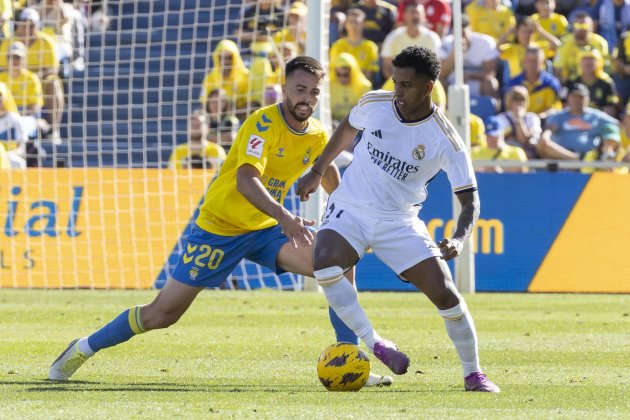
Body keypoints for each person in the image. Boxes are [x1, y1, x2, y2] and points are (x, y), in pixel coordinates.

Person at [48, 56, 392, 387]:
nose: (307, 98)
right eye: (300, 89)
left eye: (314, 92)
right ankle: (83, 348)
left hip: (265, 230)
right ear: (284, 87)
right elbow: (246, 179)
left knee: (339, 260)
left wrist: (348, 216)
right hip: (220, 229)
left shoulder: (317, 133)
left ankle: (349, 361)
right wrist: (285, 216)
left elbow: (326, 165)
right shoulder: (262, 123)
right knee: (161, 315)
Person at [297, 46, 500, 393]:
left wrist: (459, 238)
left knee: (447, 295)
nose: (398, 92)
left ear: (428, 86)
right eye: (395, 83)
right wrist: (317, 170)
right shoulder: (375, 103)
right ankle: (375, 342)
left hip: (399, 220)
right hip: (352, 206)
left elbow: (470, 200)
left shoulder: (445, 138)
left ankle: (474, 374)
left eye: (407, 85)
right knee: (325, 263)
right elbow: (347, 128)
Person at [537, 83, 620, 159]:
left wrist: (608, 140)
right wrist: (546, 134)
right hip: (560, 158)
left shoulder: (596, 116)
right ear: (568, 98)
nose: (577, 100)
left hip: (589, 159)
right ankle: (575, 159)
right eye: (574, 96)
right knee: (542, 142)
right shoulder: (557, 116)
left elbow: (618, 125)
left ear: (588, 100)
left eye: (581, 97)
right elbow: (547, 135)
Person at [439, 14, 499, 98]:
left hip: (477, 82)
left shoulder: (485, 43)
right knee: (440, 82)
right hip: (453, 84)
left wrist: (470, 75)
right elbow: (442, 74)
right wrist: (454, 53)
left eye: (463, 33)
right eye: (456, 34)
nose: (461, 37)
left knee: (491, 83)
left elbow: (490, 73)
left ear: (470, 30)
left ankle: (490, 110)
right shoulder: (446, 43)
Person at [380, 2, 441, 80]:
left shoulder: (432, 38)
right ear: (404, 15)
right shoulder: (393, 37)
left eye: (418, 13)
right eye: (412, 12)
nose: (415, 15)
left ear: (423, 16)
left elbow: (437, 67)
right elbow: (387, 67)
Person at [505, 45, 561, 119]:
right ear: (524, 61)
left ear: (542, 62)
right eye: (529, 60)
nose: (532, 64)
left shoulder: (551, 84)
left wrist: (536, 118)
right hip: (517, 121)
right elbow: (508, 109)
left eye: (535, 61)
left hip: (543, 122)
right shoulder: (513, 84)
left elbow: (553, 109)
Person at [553, 12, 609, 84]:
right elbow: (558, 69)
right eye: (577, 25)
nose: (580, 29)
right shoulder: (565, 43)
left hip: (595, 82)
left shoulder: (600, 43)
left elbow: (607, 68)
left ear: (592, 27)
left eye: (584, 26)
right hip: (571, 83)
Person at [329, 8, 380, 82]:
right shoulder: (337, 45)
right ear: (345, 24)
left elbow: (370, 74)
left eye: (356, 22)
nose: (353, 26)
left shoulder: (370, 47)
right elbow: (333, 69)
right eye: (350, 22)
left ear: (363, 24)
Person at [566, 49, 620, 118]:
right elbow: (566, 106)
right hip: (574, 120)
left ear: (599, 62)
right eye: (584, 59)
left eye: (592, 59)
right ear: (579, 62)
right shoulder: (572, 81)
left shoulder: (607, 83)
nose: (588, 62)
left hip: (598, 121)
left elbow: (610, 109)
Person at [495, 85, 543, 158]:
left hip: (529, 156)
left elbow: (524, 140)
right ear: (509, 101)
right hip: (508, 156)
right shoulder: (501, 118)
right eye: (516, 99)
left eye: (522, 99)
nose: (519, 102)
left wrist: (519, 119)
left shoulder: (532, 117)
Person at [330, 53, 372, 123]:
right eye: (338, 74)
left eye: (345, 74)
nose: (342, 78)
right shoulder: (328, 86)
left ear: (353, 72)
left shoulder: (365, 86)